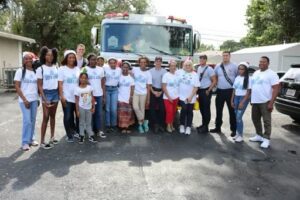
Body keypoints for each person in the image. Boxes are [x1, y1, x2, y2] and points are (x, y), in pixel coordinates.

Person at [249, 56, 279, 148]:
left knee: (266, 121)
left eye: (264, 62)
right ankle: (259, 135)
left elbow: (276, 89)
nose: (261, 63)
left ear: (268, 63)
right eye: (260, 61)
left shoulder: (272, 74)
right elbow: (253, 87)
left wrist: (271, 103)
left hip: (265, 101)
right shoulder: (256, 73)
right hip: (255, 101)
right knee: (255, 119)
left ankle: (266, 139)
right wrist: (251, 98)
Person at [14, 53, 39, 151]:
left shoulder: (35, 71)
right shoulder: (20, 71)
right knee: (27, 121)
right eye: (26, 59)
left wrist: (38, 99)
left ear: (33, 60)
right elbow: (17, 86)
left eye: (30, 58)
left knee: (32, 120)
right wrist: (24, 99)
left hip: (34, 99)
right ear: (24, 61)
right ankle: (24, 142)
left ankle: (31, 139)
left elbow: (37, 86)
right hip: (24, 100)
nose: (29, 60)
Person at [36, 46, 59, 149]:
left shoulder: (56, 67)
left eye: (52, 55)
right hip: (46, 94)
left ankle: (52, 137)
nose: (50, 57)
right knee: (45, 117)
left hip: (55, 93)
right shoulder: (40, 69)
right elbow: (39, 85)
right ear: (44, 56)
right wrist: (44, 98)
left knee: (53, 116)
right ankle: (42, 141)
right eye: (48, 55)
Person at [211, 51, 238, 136]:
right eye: (224, 56)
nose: (225, 57)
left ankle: (233, 129)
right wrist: (214, 84)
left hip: (230, 91)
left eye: (227, 55)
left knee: (232, 111)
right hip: (220, 91)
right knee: (219, 110)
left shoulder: (234, 66)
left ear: (230, 56)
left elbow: (238, 77)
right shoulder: (218, 66)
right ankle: (217, 127)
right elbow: (214, 75)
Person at [58, 50, 80, 142]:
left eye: (73, 57)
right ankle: (69, 135)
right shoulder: (62, 69)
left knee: (78, 116)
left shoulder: (77, 69)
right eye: (70, 57)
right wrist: (62, 96)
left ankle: (76, 131)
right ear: (66, 58)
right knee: (67, 116)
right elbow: (60, 84)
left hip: (77, 97)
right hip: (66, 97)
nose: (72, 59)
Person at [85, 54, 106, 138]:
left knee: (99, 113)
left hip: (99, 94)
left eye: (95, 60)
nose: (93, 61)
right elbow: (83, 81)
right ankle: (90, 131)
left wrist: (104, 95)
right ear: (89, 61)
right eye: (92, 60)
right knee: (90, 113)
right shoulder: (85, 69)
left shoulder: (101, 69)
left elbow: (102, 83)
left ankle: (98, 130)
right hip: (89, 95)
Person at [177, 60, 200, 135]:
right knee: (183, 110)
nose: (187, 66)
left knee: (190, 112)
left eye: (189, 65)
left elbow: (196, 87)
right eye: (186, 65)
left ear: (191, 66)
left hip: (191, 97)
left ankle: (188, 127)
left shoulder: (195, 75)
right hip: (182, 96)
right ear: (184, 66)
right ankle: (182, 125)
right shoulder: (180, 72)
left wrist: (190, 97)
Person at [230, 62, 251, 143]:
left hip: (243, 98)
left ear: (245, 70)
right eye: (239, 69)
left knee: (239, 117)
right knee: (236, 117)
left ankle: (241, 135)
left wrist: (243, 102)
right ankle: (238, 134)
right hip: (236, 97)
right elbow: (234, 90)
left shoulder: (249, 79)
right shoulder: (237, 77)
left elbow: (248, 92)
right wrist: (232, 100)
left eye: (242, 69)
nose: (240, 70)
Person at [196, 54, 216, 134]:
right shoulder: (199, 68)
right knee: (201, 108)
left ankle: (206, 127)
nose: (201, 61)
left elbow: (214, 81)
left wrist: (209, 90)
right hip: (200, 91)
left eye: (203, 59)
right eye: (200, 59)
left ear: (206, 60)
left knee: (206, 109)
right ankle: (203, 124)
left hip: (206, 91)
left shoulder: (209, 69)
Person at [75, 71, 97, 144]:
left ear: (87, 79)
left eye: (85, 78)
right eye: (82, 78)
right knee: (81, 122)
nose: (83, 79)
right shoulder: (77, 89)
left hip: (89, 107)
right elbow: (77, 100)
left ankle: (91, 135)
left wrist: (93, 106)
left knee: (88, 122)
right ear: (80, 79)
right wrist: (77, 110)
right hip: (81, 107)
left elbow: (92, 97)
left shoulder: (90, 88)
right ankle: (81, 135)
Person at [132, 56, 152, 133]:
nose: (143, 63)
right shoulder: (135, 70)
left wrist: (148, 99)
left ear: (146, 63)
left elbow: (148, 87)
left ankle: (140, 125)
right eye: (141, 62)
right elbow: (129, 74)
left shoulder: (148, 73)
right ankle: (144, 121)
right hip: (135, 92)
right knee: (135, 107)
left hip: (144, 93)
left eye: (144, 62)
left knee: (142, 109)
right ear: (139, 63)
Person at [149, 56, 167, 133]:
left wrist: (161, 92)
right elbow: (149, 84)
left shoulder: (165, 71)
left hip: (161, 91)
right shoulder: (150, 71)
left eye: (160, 61)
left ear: (161, 62)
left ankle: (161, 124)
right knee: (152, 109)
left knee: (162, 109)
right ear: (155, 62)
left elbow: (166, 84)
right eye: (157, 61)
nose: (158, 62)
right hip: (153, 90)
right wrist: (153, 92)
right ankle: (155, 124)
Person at [104, 57, 122, 132]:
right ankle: (108, 125)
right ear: (108, 63)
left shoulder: (119, 70)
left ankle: (113, 125)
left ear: (116, 63)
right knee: (107, 109)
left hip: (115, 90)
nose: (112, 64)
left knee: (114, 109)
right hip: (107, 89)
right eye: (110, 63)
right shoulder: (105, 69)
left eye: (114, 62)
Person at [117, 62, 135, 133]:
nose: (125, 68)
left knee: (128, 113)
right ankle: (122, 127)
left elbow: (132, 88)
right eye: (124, 67)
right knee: (121, 113)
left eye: (126, 67)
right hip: (120, 97)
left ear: (128, 68)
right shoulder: (119, 77)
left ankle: (127, 126)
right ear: (121, 68)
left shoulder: (131, 78)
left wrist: (131, 96)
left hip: (128, 97)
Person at [162, 60, 179, 133]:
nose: (173, 67)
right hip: (167, 97)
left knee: (173, 112)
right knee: (169, 111)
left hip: (176, 97)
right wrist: (169, 97)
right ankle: (168, 126)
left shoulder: (177, 75)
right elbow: (164, 87)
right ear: (169, 67)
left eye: (174, 66)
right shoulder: (166, 75)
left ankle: (171, 124)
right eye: (172, 66)